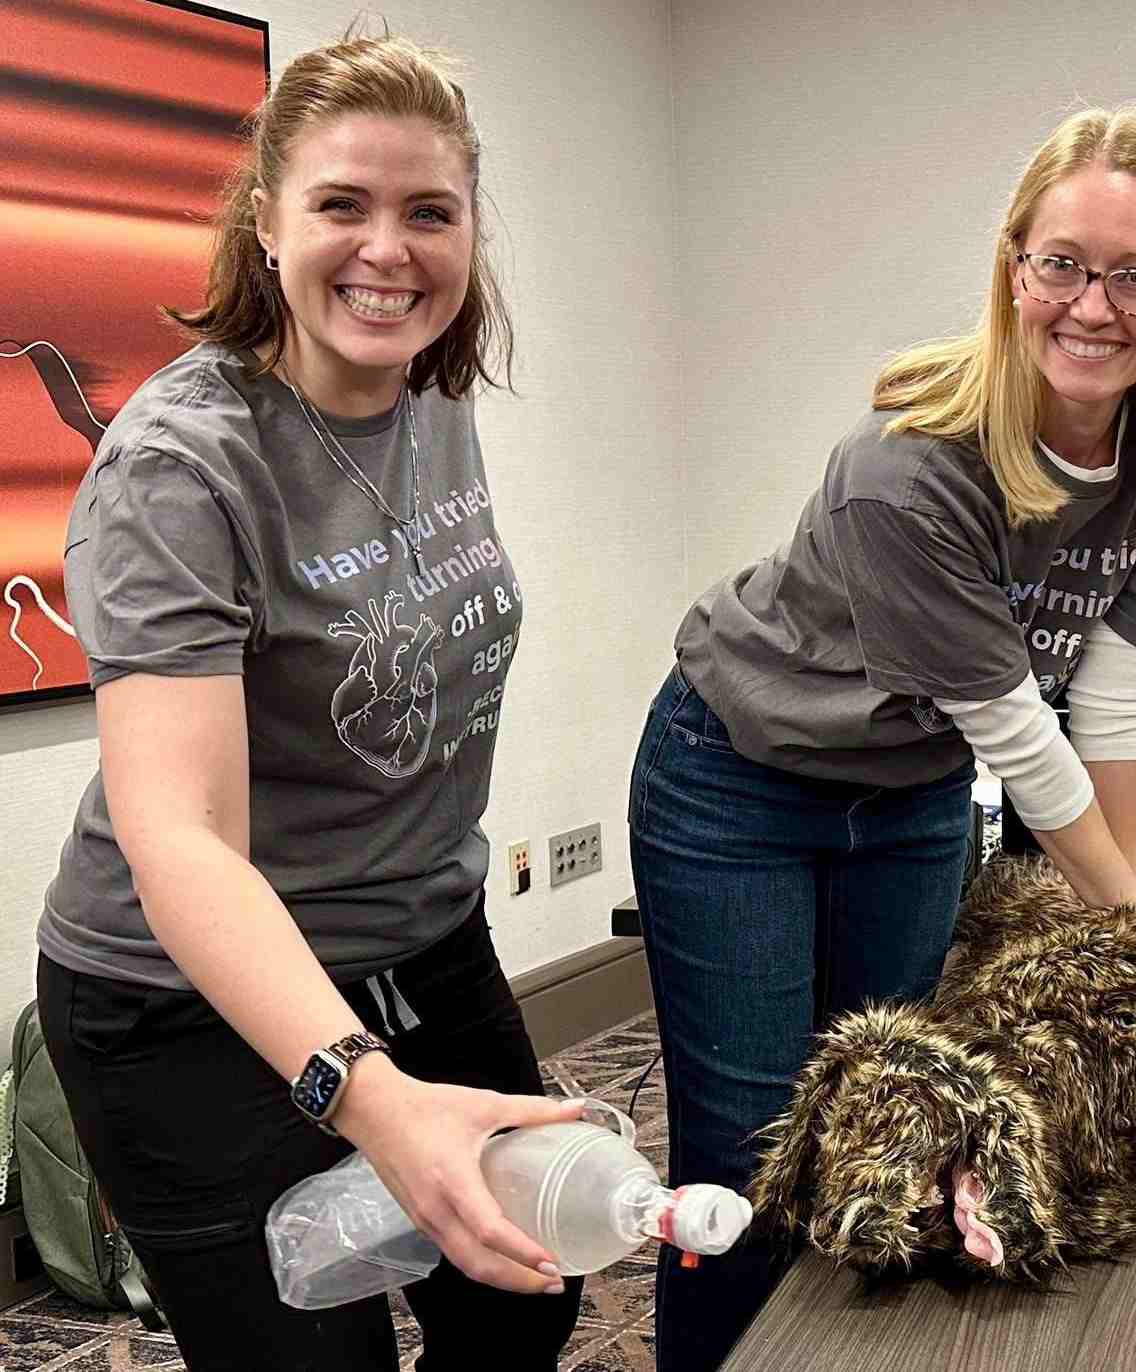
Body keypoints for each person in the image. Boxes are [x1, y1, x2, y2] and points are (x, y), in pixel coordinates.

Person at [628, 104, 1136, 1367]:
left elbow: (1119, 695)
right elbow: (1020, 733)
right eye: (1061, 263)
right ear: (1013, 267)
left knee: (895, 1110)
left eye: (1135, 275)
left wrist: (1114, 923)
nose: (1092, 305)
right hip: (736, 783)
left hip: (907, 795)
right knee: (751, 1150)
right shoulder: (907, 468)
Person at [36, 34, 586, 1371]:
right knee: (320, 1359)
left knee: (529, 1287)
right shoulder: (182, 465)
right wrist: (368, 1097)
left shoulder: (426, 397)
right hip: (177, 1001)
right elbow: (182, 844)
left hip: (419, 936)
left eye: (429, 212)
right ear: (266, 219)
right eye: (343, 205)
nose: (386, 251)